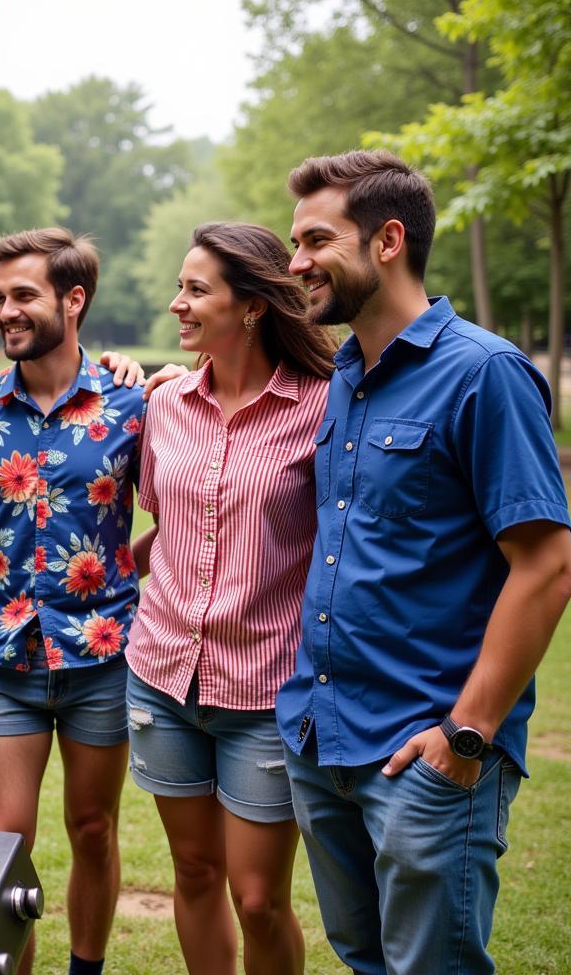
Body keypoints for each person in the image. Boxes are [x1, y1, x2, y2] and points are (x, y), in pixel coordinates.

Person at [277, 149, 571, 975]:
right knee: (366, 961)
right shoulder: (346, 374)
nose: (296, 261)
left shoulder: (484, 374)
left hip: (427, 755)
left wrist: (465, 737)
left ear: (387, 241)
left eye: (314, 240)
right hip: (323, 741)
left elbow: (547, 566)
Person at [124, 223, 336, 975]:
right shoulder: (166, 405)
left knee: (259, 899)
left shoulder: (322, 409)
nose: (175, 304)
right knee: (194, 873)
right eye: (180, 287)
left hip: (268, 692)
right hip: (162, 676)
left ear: (250, 306)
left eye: (194, 290)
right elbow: (164, 523)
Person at [0, 228, 146, 975]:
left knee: (93, 827)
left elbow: (182, 512)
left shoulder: (131, 402)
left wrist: (128, 572)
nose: (6, 311)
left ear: (74, 298)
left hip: (102, 655)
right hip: (6, 658)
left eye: (23, 295)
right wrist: (7, 584)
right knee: (5, 842)